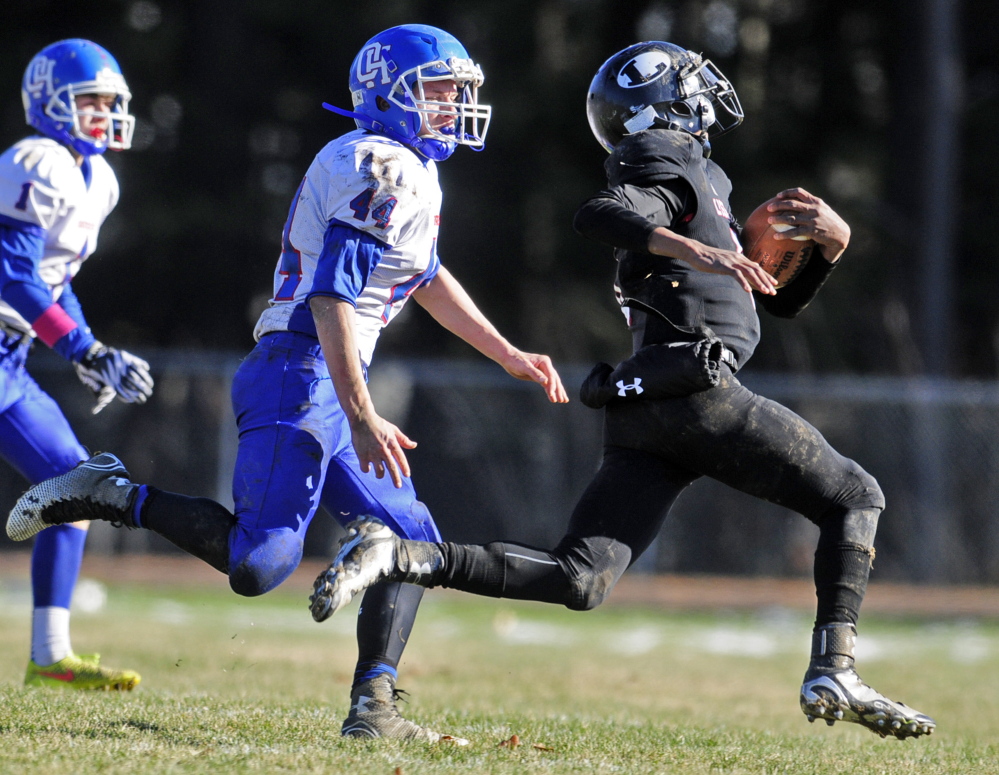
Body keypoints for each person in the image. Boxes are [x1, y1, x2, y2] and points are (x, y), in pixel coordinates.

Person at [302, 41, 936, 740]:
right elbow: (598, 212)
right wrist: (694, 247)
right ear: (662, 102)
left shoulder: (700, 175)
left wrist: (828, 252)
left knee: (580, 580)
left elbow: (771, 299)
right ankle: (834, 666)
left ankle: (403, 555)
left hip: (648, 406)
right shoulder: (664, 159)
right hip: (694, 389)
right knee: (854, 495)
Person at [8, 24, 567, 742]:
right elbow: (332, 296)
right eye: (438, 90)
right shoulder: (377, 165)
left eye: (458, 91)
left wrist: (507, 352)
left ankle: (375, 705)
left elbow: (423, 274)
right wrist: (362, 411)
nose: (453, 104)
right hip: (299, 372)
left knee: (410, 535)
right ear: (388, 94)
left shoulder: (413, 168)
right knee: (258, 563)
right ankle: (112, 492)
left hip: (335, 373)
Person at [0, 39, 153, 691]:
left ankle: (50, 655)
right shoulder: (35, 160)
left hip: (8, 357)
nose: (104, 112)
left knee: (76, 487)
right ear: (50, 100)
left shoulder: (98, 179)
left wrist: (88, 345)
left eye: (109, 101)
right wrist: (82, 349)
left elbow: (55, 280)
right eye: (90, 100)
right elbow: (12, 277)